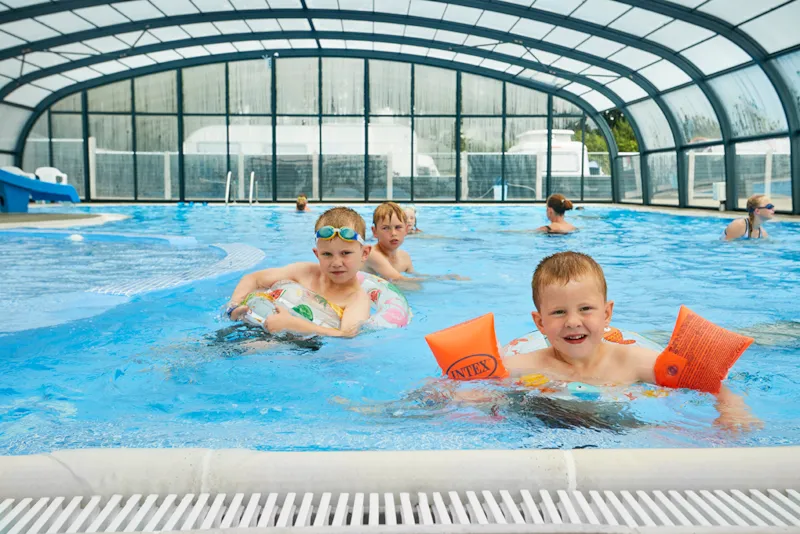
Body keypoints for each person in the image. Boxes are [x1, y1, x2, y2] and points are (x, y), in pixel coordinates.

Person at [501, 251, 761, 431]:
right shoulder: (528, 363)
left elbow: (705, 382)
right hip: (542, 420)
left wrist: (732, 409)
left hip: (617, 426)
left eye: (585, 309)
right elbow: (479, 381)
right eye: (559, 312)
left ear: (606, 314)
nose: (572, 321)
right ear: (540, 323)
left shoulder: (632, 361)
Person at [226, 207, 371, 338]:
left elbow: (346, 335)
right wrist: (233, 307)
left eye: (345, 253)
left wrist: (293, 325)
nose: (336, 263)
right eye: (327, 254)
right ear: (317, 254)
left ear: (364, 253)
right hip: (255, 325)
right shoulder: (304, 272)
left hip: (304, 345)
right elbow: (253, 278)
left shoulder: (356, 299)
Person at [365, 202, 467, 284]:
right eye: (385, 228)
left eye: (398, 227)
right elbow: (398, 279)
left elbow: (415, 276)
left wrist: (445, 277)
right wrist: (443, 280)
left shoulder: (404, 257)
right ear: (374, 232)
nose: (393, 233)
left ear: (406, 229)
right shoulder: (372, 254)